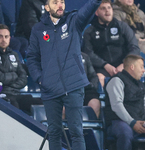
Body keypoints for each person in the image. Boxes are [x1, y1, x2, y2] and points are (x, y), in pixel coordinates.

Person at [26, 0, 101, 149]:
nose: (60, 5)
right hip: (50, 89)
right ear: (47, 7)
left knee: (76, 132)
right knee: (54, 132)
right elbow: (32, 57)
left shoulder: (73, 21)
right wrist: (41, 79)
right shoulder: (38, 29)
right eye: (55, 2)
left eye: (62, 2)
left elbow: (88, 9)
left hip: (73, 86)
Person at [0, 24, 42, 114]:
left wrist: (11, 85)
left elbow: (23, 77)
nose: (3, 39)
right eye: (0, 37)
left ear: (9, 38)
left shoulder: (14, 54)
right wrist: (14, 76)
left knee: (42, 102)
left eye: (6, 37)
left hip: (15, 94)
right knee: (13, 105)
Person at [82, 0, 140, 87]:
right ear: (96, 12)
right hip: (102, 68)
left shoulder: (122, 26)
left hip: (123, 66)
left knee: (136, 74)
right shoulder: (90, 31)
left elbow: (134, 47)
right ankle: (99, 100)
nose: (107, 10)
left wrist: (124, 64)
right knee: (99, 78)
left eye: (109, 8)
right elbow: (88, 53)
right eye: (103, 8)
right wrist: (105, 65)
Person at [105, 54, 145, 150]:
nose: (143, 70)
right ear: (132, 67)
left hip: (140, 122)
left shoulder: (140, 84)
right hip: (118, 122)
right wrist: (132, 123)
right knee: (125, 133)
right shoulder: (116, 80)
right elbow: (117, 105)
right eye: (141, 67)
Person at [82, 52, 100, 118]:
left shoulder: (84, 56)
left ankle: (92, 127)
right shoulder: (57, 56)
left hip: (85, 89)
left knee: (94, 103)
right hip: (66, 91)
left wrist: (91, 86)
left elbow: (93, 76)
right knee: (61, 107)